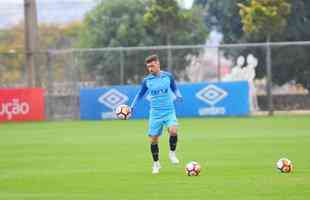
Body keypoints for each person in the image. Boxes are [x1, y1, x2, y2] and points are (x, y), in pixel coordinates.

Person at [130, 54, 183, 174]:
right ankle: (156, 164)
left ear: (158, 64)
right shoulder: (147, 81)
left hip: (169, 111)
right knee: (153, 140)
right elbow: (140, 94)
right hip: (155, 114)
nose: (150, 69)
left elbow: (175, 88)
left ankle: (172, 153)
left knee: (173, 130)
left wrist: (178, 95)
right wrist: (132, 106)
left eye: (152, 66)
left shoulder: (168, 76)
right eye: (148, 67)